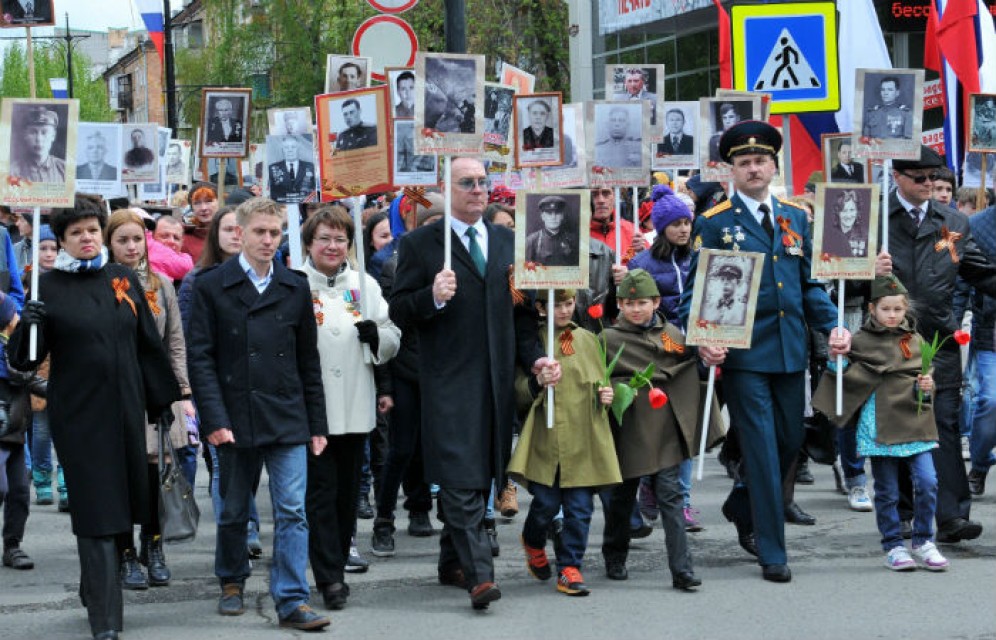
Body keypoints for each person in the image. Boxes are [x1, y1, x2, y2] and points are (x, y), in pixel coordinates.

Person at [679, 121, 850, 583]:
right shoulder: (714, 223)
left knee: (789, 441)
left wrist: (833, 325)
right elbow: (693, 295)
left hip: (791, 350)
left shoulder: (795, 216)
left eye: (760, 160)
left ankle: (741, 502)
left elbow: (809, 284)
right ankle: (773, 551)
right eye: (743, 162)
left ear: (774, 165)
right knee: (759, 445)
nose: (753, 168)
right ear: (730, 170)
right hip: (744, 355)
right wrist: (704, 337)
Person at [9, 194, 180, 640]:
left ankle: (94, 589)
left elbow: (148, 344)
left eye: (90, 230)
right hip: (80, 420)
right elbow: (26, 362)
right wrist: (29, 324)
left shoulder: (121, 277)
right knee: (97, 511)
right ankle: (105, 620)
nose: (85, 238)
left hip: (127, 413)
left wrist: (163, 402)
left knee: (120, 508)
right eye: (74, 233)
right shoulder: (48, 287)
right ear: (61, 240)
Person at [389, 156, 555, 610]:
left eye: (483, 182)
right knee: (460, 477)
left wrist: (537, 359)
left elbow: (522, 318)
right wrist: (432, 297)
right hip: (447, 378)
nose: (478, 190)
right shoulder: (423, 245)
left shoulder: (507, 241)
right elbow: (399, 309)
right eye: (467, 183)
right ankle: (480, 576)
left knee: (483, 473)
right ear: (449, 189)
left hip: (497, 379)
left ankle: (451, 561)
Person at [186, 197, 330, 631]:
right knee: (234, 508)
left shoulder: (294, 285)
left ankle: (290, 597)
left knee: (292, 509)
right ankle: (232, 580)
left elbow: (308, 360)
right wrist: (214, 419)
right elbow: (201, 358)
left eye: (275, 233)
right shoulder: (212, 285)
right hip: (234, 413)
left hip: (287, 414)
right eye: (260, 232)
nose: (268, 240)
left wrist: (317, 424)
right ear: (240, 233)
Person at [874, 145, 996, 544]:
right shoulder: (875, 219)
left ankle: (952, 517)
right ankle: (905, 513)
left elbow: (980, 270)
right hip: (888, 340)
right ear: (897, 178)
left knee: (942, 421)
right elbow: (837, 277)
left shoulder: (952, 221)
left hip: (938, 339)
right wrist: (865, 272)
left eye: (933, 178)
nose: (928, 185)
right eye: (919, 179)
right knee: (898, 423)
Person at [300, 205, 400, 611]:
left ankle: (339, 559)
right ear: (308, 242)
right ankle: (328, 576)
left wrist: (376, 335)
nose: (332, 245)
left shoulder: (365, 284)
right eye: (324, 238)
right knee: (319, 494)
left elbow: (393, 334)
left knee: (346, 496)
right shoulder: (295, 284)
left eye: (340, 239)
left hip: (355, 405)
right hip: (314, 407)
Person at [813, 275, 949, 571]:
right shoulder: (859, 340)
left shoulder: (915, 340)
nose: (892, 315)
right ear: (872, 308)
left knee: (928, 482)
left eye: (897, 309)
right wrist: (837, 359)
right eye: (885, 309)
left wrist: (928, 386)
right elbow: (842, 377)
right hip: (879, 424)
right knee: (886, 490)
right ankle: (893, 545)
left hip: (915, 422)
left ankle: (924, 540)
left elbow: (927, 380)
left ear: (905, 310)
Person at [600, 269, 724, 588]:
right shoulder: (608, 339)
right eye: (628, 303)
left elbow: (683, 366)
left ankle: (681, 569)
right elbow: (597, 377)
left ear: (656, 301)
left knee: (671, 497)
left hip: (666, 428)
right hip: (629, 430)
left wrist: (705, 362)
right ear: (619, 304)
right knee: (622, 498)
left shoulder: (671, 334)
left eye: (642, 302)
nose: (636, 309)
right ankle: (614, 555)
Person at [104, 209, 194, 591]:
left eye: (136, 239)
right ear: (110, 243)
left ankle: (153, 546)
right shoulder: (101, 283)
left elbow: (175, 340)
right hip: (118, 395)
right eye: (122, 240)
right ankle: (125, 553)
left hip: (158, 394)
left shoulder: (162, 285)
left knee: (158, 478)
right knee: (124, 478)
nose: (130, 247)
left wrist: (184, 393)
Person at [508, 289, 618, 597]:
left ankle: (570, 567)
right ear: (541, 307)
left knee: (581, 508)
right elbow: (517, 389)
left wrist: (606, 396)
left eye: (569, 304)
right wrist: (536, 382)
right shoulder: (532, 341)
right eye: (557, 305)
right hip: (547, 440)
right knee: (546, 504)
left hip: (583, 440)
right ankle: (532, 540)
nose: (565, 310)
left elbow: (600, 383)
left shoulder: (587, 339)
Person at [372, 194, 444, 558]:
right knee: (401, 447)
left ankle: (423, 508)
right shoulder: (394, 265)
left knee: (437, 446)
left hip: (445, 368)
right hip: (406, 366)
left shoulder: (459, 262)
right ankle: (383, 519)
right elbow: (391, 322)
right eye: (430, 224)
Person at [1, 292, 37, 572]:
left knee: (20, 491)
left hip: (14, 429)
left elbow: (29, 375)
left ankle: (12, 546)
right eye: (12, 315)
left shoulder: (13, 346)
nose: (17, 318)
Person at [589, 187, 646, 265]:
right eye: (594, 194)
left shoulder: (632, 230)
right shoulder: (577, 234)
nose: (601, 200)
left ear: (614, 196)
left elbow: (652, 271)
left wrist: (644, 253)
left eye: (606, 193)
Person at [10, 107, 66, 183]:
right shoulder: (13, 171)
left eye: (44, 132)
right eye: (33, 132)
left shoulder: (64, 168)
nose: (39, 139)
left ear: (53, 135)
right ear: (25, 135)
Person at [524, 195, 579, 267]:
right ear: (543, 216)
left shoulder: (572, 240)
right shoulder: (531, 241)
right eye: (549, 213)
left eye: (557, 213)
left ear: (562, 216)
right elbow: (526, 271)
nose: (553, 217)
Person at [821, 189, 868, 258]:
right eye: (844, 210)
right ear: (837, 212)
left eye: (852, 210)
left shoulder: (865, 236)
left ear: (857, 211)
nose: (848, 215)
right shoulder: (827, 235)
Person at [268, 136, 316, 203]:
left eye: (293, 147)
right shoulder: (271, 168)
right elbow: (271, 191)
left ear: (298, 149)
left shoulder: (310, 167)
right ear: (282, 150)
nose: (290, 150)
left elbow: (314, 189)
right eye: (286, 147)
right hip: (281, 206)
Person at [863, 76, 913, 140]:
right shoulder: (871, 113)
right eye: (883, 90)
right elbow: (865, 140)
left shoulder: (906, 114)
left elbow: (908, 141)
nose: (885, 93)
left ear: (897, 93)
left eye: (890, 90)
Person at [182, 185, 218, 263]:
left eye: (208, 201)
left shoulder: (232, 233)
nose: (203, 208)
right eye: (197, 203)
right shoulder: (184, 238)